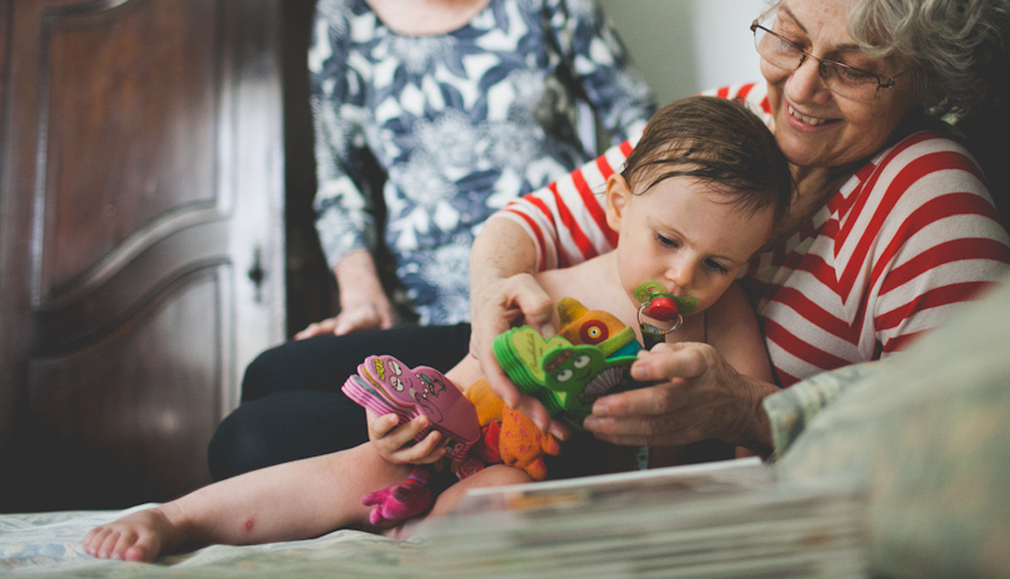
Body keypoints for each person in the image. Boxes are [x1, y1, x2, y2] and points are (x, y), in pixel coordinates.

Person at [468, 0, 1010, 448]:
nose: (799, 89)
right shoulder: (735, 115)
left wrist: (748, 410)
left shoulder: (928, 197)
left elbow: (977, 414)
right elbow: (528, 223)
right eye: (790, 38)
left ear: (930, 79)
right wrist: (493, 293)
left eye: (853, 69)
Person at [83, 96, 793, 563]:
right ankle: (176, 518)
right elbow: (458, 396)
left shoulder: (718, 316)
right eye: (667, 240)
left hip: (549, 490)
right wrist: (402, 432)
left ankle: (414, 544)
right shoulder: (551, 291)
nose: (683, 277)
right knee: (359, 470)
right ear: (616, 204)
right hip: (469, 447)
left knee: (501, 499)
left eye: (718, 264)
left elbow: (753, 418)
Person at [207, 0, 655, 478]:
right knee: (268, 377)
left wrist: (633, 274)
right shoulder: (344, 15)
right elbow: (342, 181)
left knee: (255, 443)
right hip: (432, 320)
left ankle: (446, 463)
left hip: (543, 301)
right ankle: (437, 459)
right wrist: (362, 298)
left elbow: (636, 123)